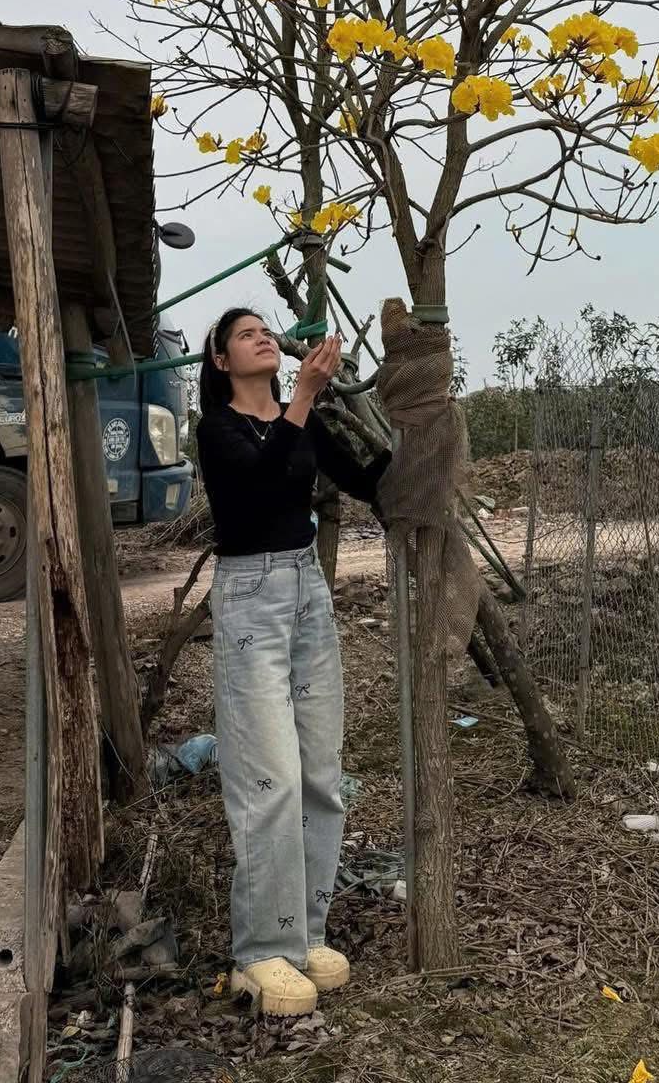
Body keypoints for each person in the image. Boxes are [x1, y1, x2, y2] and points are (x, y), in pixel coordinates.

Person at [194, 307, 390, 1018]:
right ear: (221, 362)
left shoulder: (297, 416)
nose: (263, 338)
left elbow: (366, 477)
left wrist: (410, 412)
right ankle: (259, 953)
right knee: (267, 775)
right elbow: (254, 492)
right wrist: (303, 398)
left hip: (308, 589)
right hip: (251, 595)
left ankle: (305, 935)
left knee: (319, 772)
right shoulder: (218, 429)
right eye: (246, 335)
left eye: (266, 331)